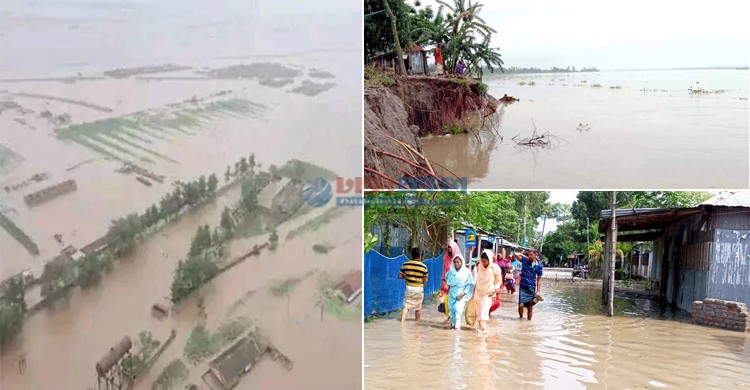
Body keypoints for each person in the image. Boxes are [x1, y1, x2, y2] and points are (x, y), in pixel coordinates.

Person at [472, 249, 502, 332]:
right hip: (478, 293)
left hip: (488, 293)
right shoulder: (478, 266)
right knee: (478, 313)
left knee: (483, 313)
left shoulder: (495, 268)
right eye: (482, 261)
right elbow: (474, 280)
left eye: (485, 261)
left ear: (490, 260)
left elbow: (499, 281)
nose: (484, 263)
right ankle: (481, 330)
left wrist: (494, 289)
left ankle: (482, 332)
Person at [398, 247, 429, 323]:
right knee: (418, 307)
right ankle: (417, 323)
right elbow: (426, 279)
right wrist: (422, 285)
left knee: (406, 306)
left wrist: (407, 277)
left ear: (411, 255)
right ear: (420, 256)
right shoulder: (423, 266)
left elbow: (399, 276)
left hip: (409, 288)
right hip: (419, 288)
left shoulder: (405, 264)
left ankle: (402, 322)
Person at [445, 252, 473, 330]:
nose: (456, 264)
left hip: (461, 295)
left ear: (461, 262)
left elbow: (468, 284)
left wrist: (463, 294)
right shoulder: (451, 272)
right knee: (452, 313)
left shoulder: (466, 272)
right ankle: (452, 329)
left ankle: (457, 331)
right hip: (452, 295)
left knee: (458, 312)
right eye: (455, 262)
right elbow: (447, 279)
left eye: (458, 262)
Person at [517, 251, 543, 320]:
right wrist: (523, 255)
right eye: (528, 255)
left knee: (530, 307)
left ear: (536, 254)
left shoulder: (539, 265)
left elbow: (539, 279)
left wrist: (538, 291)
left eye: (531, 255)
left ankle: (529, 322)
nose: (529, 256)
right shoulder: (525, 261)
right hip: (523, 286)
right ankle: (520, 319)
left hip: (531, 288)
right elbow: (516, 255)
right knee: (520, 305)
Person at [440, 241, 462, 320]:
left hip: (456, 284)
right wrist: (443, 281)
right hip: (447, 282)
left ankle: (454, 319)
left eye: (451, 248)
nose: (449, 249)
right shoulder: (445, 257)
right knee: (446, 300)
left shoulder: (459, 259)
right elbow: (444, 270)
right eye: (448, 247)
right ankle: (449, 317)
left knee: (455, 301)